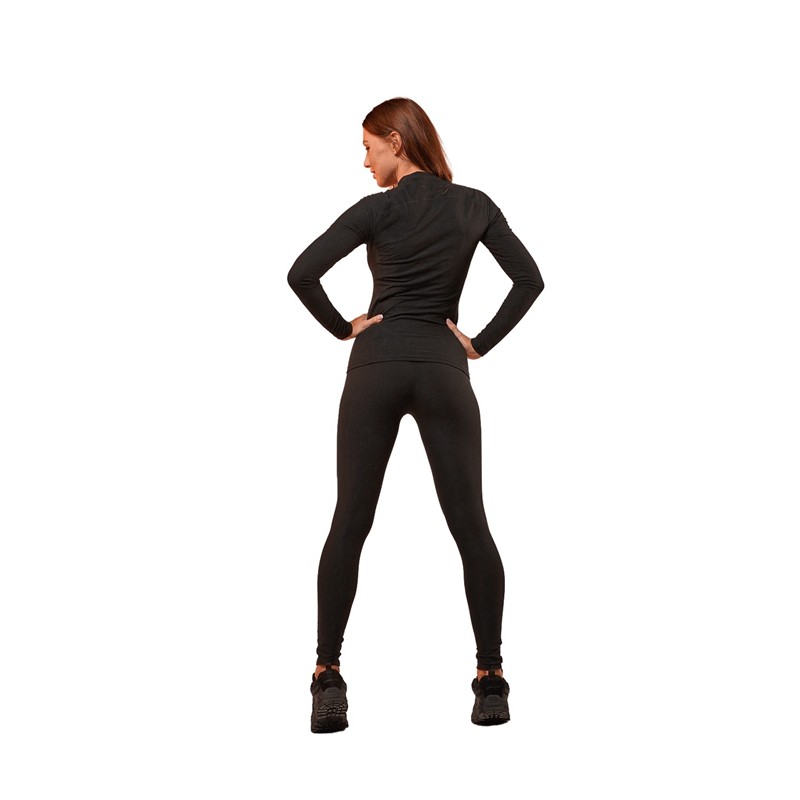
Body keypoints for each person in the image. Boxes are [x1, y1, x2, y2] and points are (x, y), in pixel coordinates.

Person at [287, 97, 544, 733]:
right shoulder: (475, 205)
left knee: (350, 521)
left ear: (397, 142)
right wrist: (478, 342)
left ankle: (327, 674)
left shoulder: (376, 209)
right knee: (471, 525)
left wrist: (344, 327)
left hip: (375, 366)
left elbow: (302, 273)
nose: (365, 161)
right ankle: (490, 678)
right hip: (442, 369)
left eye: (369, 147)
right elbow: (530, 280)